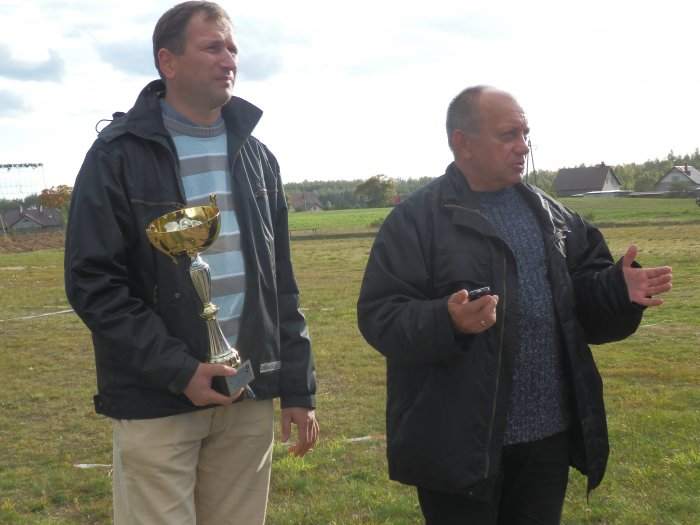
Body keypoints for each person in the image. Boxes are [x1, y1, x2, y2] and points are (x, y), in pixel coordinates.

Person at [356, 86, 672, 525]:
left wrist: (617, 290)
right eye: (508, 135)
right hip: (459, 444)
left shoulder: (554, 217)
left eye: (525, 134)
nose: (523, 146)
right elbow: (380, 315)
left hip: (547, 439)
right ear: (462, 142)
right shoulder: (415, 221)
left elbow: (581, 306)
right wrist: (446, 320)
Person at [64, 2, 318, 524]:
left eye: (233, 48)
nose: (229, 59)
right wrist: (178, 370)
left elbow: (281, 284)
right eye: (212, 47)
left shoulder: (258, 158)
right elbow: (94, 283)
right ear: (168, 61)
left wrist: (297, 385)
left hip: (246, 392)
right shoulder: (115, 156)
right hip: (158, 397)